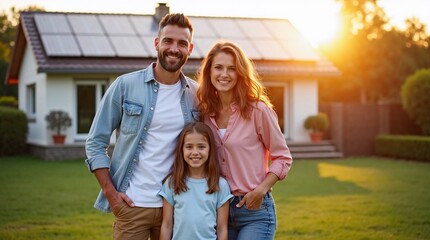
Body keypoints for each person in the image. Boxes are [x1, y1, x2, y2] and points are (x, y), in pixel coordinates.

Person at [85, 13, 197, 240]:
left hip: (176, 207)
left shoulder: (197, 94)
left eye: (182, 43)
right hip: (132, 205)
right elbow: (96, 142)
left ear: (190, 48)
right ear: (157, 43)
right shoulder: (125, 85)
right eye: (168, 41)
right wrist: (111, 193)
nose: (174, 49)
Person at [196, 41, 293, 240]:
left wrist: (261, 190)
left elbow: (283, 158)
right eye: (218, 67)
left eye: (231, 69)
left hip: (255, 211)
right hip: (218, 210)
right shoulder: (204, 114)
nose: (224, 74)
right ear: (209, 72)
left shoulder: (258, 111)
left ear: (240, 73)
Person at [158, 122, 233, 240]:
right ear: (181, 149)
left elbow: (222, 228)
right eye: (189, 147)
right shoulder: (172, 182)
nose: (195, 152)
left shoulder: (220, 185)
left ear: (210, 149)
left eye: (201, 147)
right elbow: (167, 225)